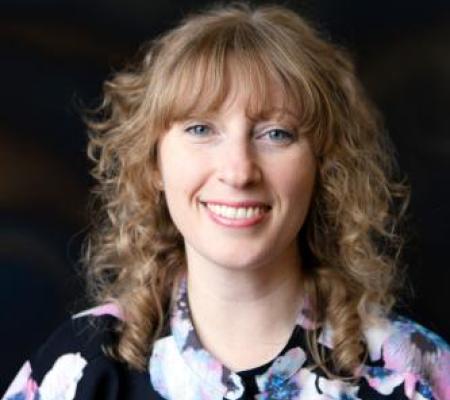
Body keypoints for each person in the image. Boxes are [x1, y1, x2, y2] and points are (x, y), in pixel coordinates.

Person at [3, 3, 449, 400]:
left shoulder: (414, 375)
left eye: (276, 134)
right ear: (153, 162)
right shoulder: (81, 369)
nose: (238, 171)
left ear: (323, 166)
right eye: (201, 129)